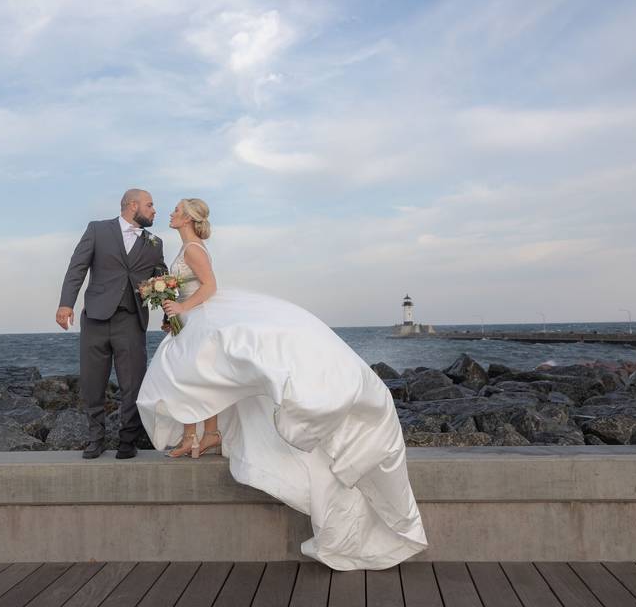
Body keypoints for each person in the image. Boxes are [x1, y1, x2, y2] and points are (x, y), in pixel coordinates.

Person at [136, 198, 429, 570]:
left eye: (177, 209)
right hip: (195, 319)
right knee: (199, 377)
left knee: (195, 376)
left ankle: (202, 435)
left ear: (190, 218)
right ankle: (203, 434)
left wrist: (181, 307)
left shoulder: (192, 248)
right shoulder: (185, 246)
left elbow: (209, 286)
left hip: (203, 315)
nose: (171, 212)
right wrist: (173, 308)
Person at [57, 189, 167, 459]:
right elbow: (77, 268)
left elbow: (161, 277)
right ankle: (95, 438)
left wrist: (169, 312)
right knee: (92, 382)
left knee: (133, 384)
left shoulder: (155, 242)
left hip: (131, 320)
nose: (154, 210)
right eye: (150, 205)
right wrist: (65, 303)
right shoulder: (97, 229)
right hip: (95, 318)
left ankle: (127, 440)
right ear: (132, 205)